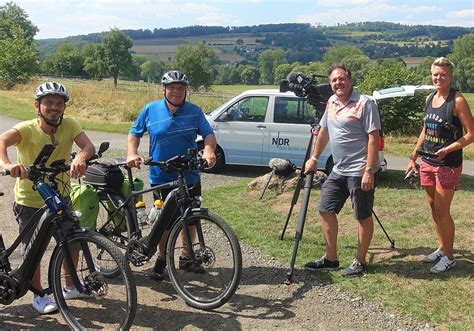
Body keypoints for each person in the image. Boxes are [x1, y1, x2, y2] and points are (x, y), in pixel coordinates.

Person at [0, 82, 95, 314]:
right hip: (30, 200)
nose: (54, 108)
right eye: (49, 103)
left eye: (59, 103)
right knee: (34, 250)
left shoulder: (70, 124)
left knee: (71, 241)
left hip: (60, 195)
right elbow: (1, 141)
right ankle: (39, 294)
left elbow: (88, 146)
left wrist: (80, 158)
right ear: (37, 106)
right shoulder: (28, 128)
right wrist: (8, 164)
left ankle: (71, 286)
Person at [126, 70, 217, 280]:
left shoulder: (194, 111)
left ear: (186, 91)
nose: (176, 91)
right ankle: (162, 259)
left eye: (180, 88)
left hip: (189, 173)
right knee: (165, 224)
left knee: (191, 218)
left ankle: (187, 257)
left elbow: (208, 135)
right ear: (164, 89)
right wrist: (132, 152)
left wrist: (209, 150)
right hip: (161, 175)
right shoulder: (150, 109)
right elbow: (134, 133)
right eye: (172, 88)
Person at [303, 63, 381, 277]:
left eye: (341, 79)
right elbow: (324, 131)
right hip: (339, 170)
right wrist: (314, 158)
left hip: (359, 170)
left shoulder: (365, 104)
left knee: (362, 216)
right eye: (334, 80)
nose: (338, 83)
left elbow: (374, 138)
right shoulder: (332, 102)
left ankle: (360, 261)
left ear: (350, 80)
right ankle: (331, 258)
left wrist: (369, 171)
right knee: (325, 209)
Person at [406, 57, 474, 273]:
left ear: (450, 76)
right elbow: (426, 129)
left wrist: (449, 148)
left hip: (448, 164)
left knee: (442, 210)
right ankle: (443, 248)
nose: (438, 78)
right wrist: (413, 156)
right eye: (435, 74)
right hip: (427, 161)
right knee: (433, 207)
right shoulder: (430, 98)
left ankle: (450, 257)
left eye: (442, 74)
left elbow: (471, 134)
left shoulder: (458, 100)